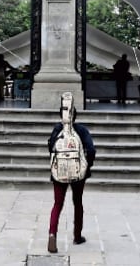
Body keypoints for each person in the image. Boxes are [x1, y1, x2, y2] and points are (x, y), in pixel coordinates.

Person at [47, 92, 96, 253]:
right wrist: (87, 166)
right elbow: (91, 149)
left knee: (57, 204)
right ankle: (77, 235)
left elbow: (50, 147)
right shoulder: (81, 130)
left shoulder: (57, 129)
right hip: (78, 172)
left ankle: (52, 235)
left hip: (59, 172)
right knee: (78, 203)